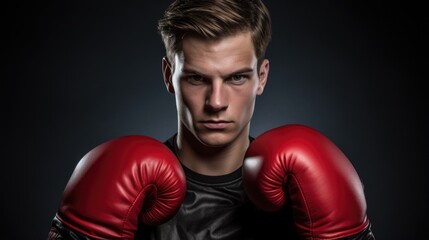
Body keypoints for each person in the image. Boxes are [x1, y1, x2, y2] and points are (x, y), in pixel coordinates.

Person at [48, 0, 375, 239]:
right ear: (168, 76)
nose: (216, 102)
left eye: (236, 78)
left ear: (261, 78)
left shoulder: (302, 190)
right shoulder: (123, 184)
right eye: (196, 79)